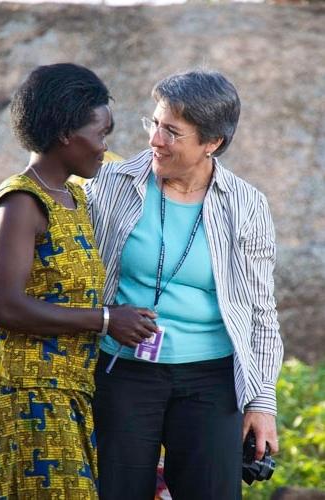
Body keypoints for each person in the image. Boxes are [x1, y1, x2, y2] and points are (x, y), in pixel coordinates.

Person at [86, 70, 284, 500]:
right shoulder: (110, 183)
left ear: (212, 142)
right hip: (123, 371)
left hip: (212, 378)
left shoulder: (246, 204)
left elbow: (260, 311)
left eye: (172, 131)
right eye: (154, 123)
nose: (155, 139)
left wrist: (262, 401)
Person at [0, 63, 157, 498]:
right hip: (30, 394)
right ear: (66, 133)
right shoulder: (22, 203)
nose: (105, 147)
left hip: (73, 391)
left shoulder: (76, 198)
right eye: (101, 133)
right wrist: (106, 320)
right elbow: (4, 305)